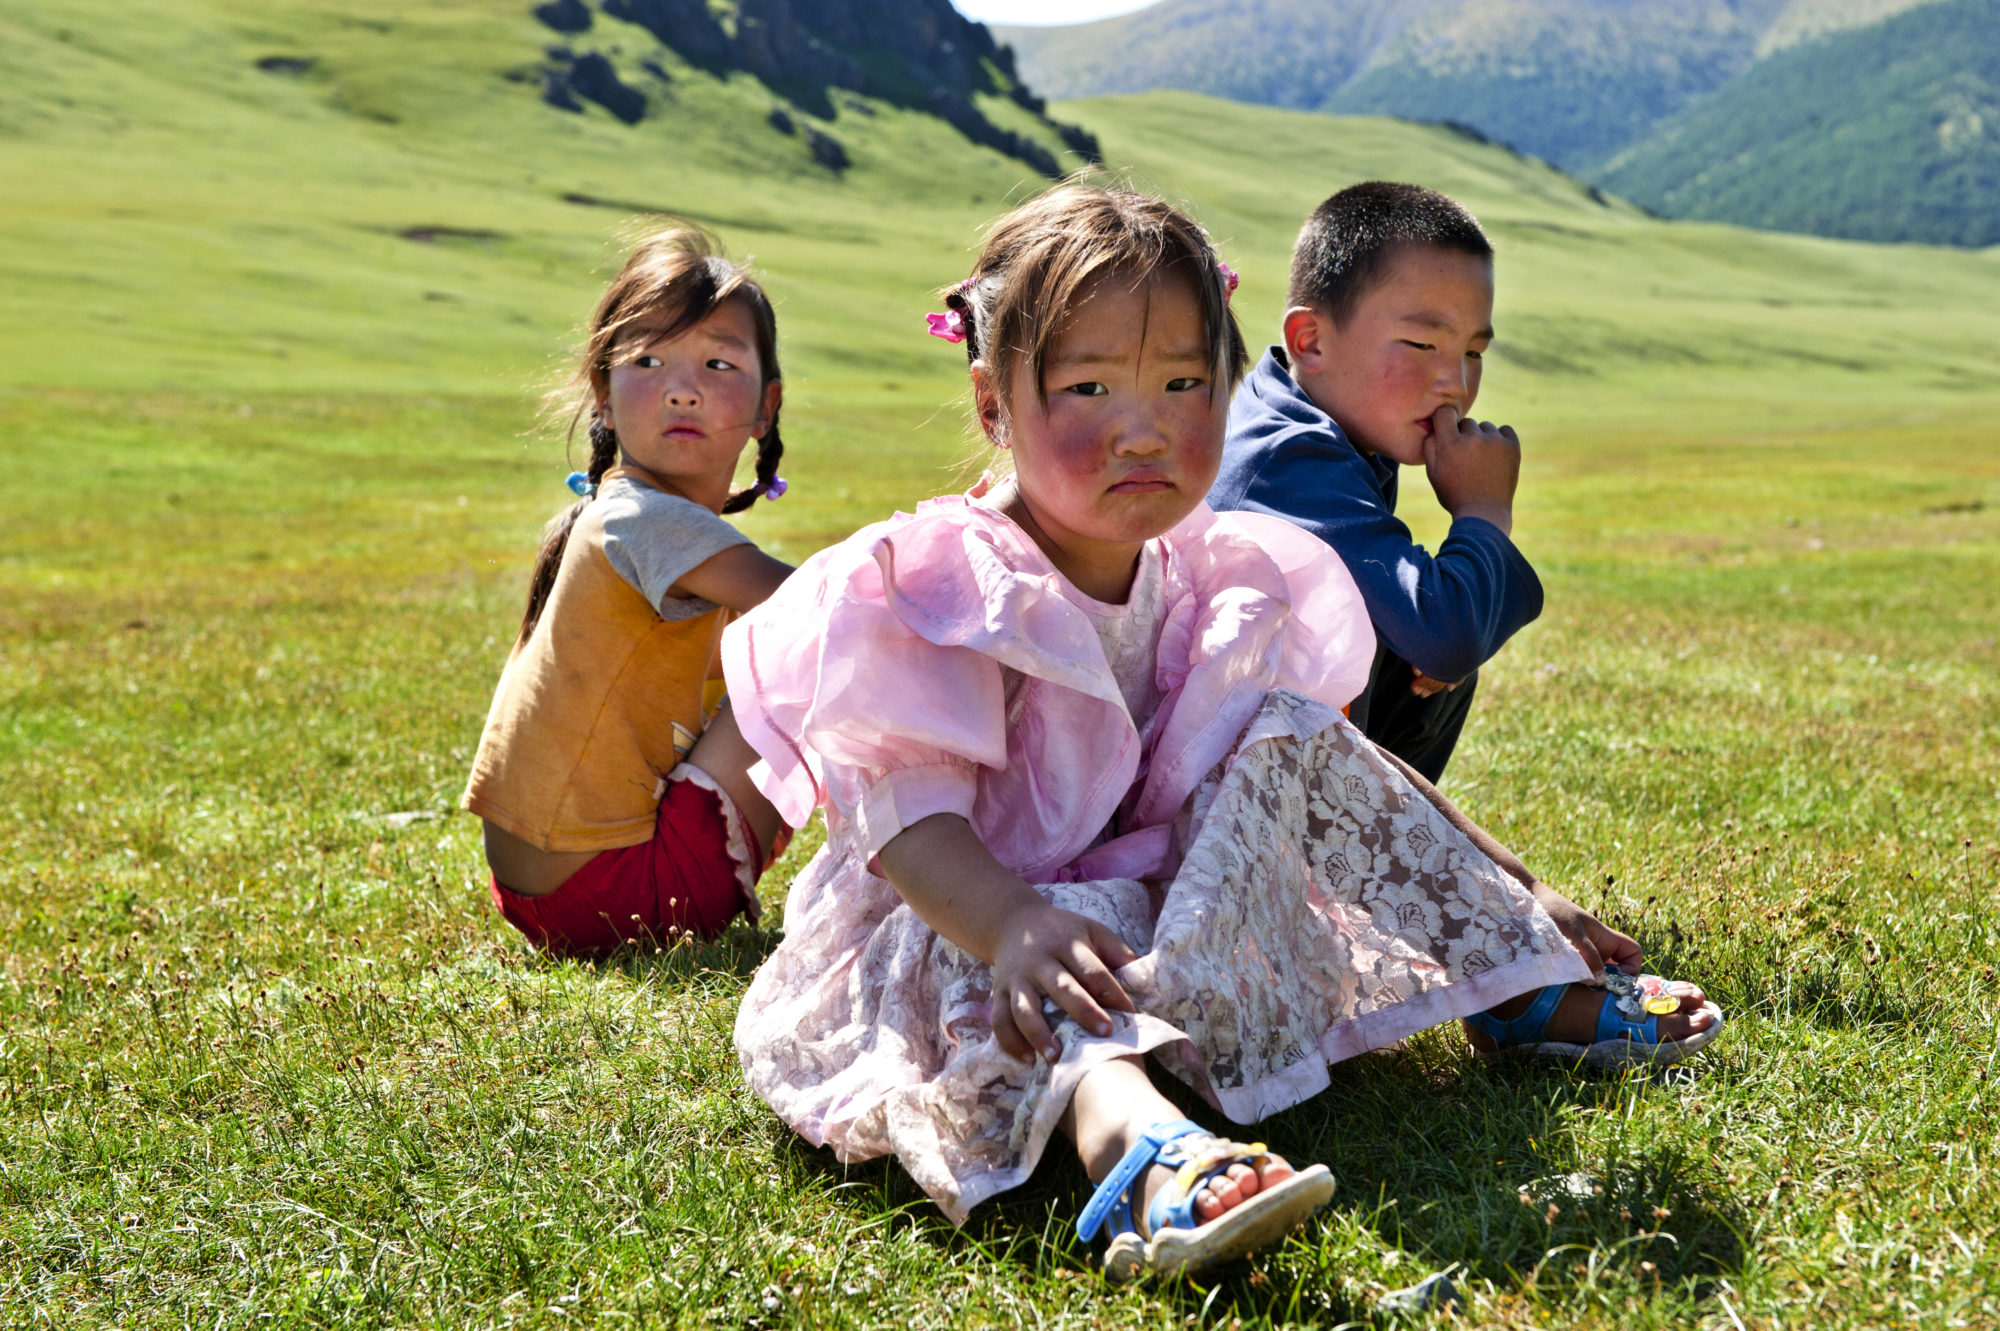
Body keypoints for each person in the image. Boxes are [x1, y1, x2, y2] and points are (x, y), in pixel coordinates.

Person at [721, 184, 1723, 1280]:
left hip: (1134, 901)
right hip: (961, 910)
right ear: (991, 402)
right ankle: (1141, 1151)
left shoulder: (1205, 571)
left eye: (1182, 382)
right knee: (1044, 982)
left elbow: (1313, 752)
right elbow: (903, 814)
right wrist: (1009, 918)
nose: (1141, 425)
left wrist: (1502, 881)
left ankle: (1506, 976)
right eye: (1088, 385)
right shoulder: (944, 585)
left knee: (1285, 729)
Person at [460, 226, 792, 955]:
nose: (682, 387)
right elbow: (827, 607)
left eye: (717, 361)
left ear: (765, 407)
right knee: (803, 667)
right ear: (603, 395)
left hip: (537, 891)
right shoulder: (646, 517)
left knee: (766, 655)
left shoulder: (616, 510)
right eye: (648, 359)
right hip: (619, 889)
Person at [1210, 181, 1536, 783]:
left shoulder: (1313, 422)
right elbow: (1447, 636)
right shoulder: (1288, 460)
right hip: (1209, 799)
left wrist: (1444, 632)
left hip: (1256, 769)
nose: (1455, 384)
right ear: (1310, 341)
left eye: (1474, 352)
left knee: (1446, 630)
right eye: (1421, 343)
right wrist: (1485, 510)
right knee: (1451, 624)